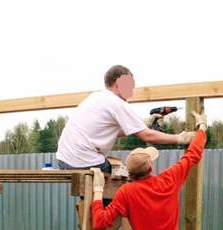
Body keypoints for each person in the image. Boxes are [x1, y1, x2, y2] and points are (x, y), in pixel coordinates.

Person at [56, 64, 196, 172]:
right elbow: (147, 136)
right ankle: (109, 209)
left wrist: (142, 123)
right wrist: (179, 138)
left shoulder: (96, 97)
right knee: (123, 178)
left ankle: (97, 207)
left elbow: (111, 132)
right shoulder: (116, 102)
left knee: (107, 185)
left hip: (63, 160)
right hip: (85, 162)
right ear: (118, 83)